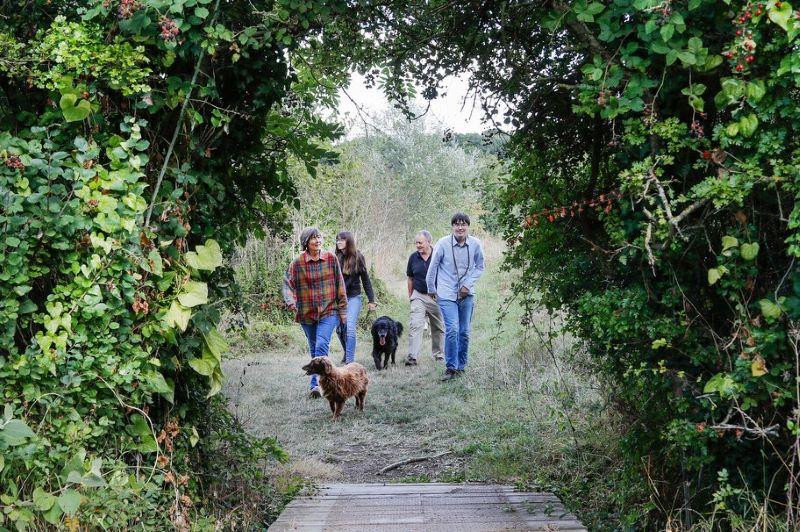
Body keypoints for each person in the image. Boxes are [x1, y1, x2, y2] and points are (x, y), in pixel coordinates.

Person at [282, 227, 348, 398]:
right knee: (314, 349)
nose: (317, 241)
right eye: (313, 238)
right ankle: (322, 381)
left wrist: (343, 310)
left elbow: (340, 284)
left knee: (321, 345)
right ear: (306, 242)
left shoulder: (331, 259)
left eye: (319, 237)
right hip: (306, 313)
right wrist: (291, 302)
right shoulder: (297, 263)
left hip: (329, 311)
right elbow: (287, 284)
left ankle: (315, 385)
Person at [426, 213, 485, 381]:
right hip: (446, 293)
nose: (460, 227)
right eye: (457, 224)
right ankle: (450, 367)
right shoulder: (443, 243)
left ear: (468, 226)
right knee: (452, 329)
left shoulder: (475, 244)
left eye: (463, 224)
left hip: (467, 293)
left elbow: (480, 267)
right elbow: (433, 266)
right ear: (452, 227)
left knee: (464, 331)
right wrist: (431, 288)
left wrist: (467, 284)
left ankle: (461, 367)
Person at [334, 231, 377, 363]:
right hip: (338, 299)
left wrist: (371, 300)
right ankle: (348, 352)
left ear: (349, 241)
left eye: (341, 240)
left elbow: (365, 279)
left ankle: (349, 361)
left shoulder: (358, 257)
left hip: (353, 297)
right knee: (340, 330)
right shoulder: (334, 257)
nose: (338, 242)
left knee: (350, 327)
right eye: (337, 240)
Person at [404, 230, 445, 366]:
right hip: (419, 295)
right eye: (416, 243)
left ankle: (439, 355)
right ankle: (412, 357)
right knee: (415, 325)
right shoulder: (413, 258)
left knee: (438, 327)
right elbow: (410, 278)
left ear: (429, 242)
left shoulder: (438, 255)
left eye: (420, 243)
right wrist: (411, 296)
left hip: (436, 296)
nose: (418, 245)